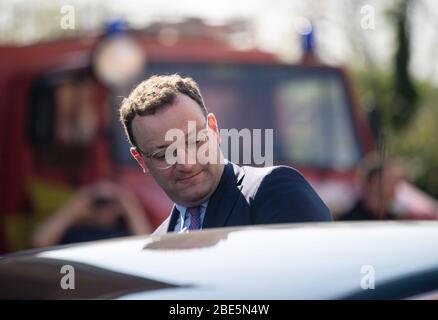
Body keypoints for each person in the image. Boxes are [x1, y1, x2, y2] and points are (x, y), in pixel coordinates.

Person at [119, 74, 331, 235]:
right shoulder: (158, 244)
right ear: (141, 160)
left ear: (214, 129)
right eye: (164, 154)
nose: (186, 163)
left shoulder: (274, 192)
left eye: (194, 141)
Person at [31, 181, 152, 247]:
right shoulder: (73, 231)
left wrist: (128, 203)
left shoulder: (125, 231)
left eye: (111, 203)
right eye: (99, 203)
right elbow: (40, 242)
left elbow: (146, 245)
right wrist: (73, 209)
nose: (105, 209)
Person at [337, 156, 405, 221]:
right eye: (390, 181)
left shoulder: (396, 220)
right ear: (375, 183)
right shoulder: (347, 222)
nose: (395, 188)